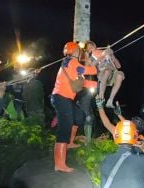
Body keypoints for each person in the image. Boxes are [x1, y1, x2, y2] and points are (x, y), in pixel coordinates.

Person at [95, 97, 144, 188]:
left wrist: (100, 107)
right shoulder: (138, 139)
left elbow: (122, 127)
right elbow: (128, 128)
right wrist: (119, 114)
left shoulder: (107, 158)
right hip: (135, 167)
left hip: (127, 164)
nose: (128, 122)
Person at [51, 41, 97, 173]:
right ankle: (59, 163)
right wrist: (97, 63)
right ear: (74, 51)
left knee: (79, 116)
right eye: (78, 50)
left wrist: (96, 85)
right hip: (61, 98)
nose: (80, 52)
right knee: (65, 126)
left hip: (65, 98)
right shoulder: (71, 62)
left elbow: (81, 82)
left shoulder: (70, 63)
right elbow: (89, 70)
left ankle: (70, 143)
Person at [85, 41, 125, 108]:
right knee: (107, 70)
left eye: (91, 45)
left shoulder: (106, 51)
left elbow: (119, 66)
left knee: (120, 74)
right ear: (88, 50)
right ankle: (101, 95)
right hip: (102, 74)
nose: (91, 47)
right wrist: (102, 56)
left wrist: (113, 57)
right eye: (89, 47)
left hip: (112, 74)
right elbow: (91, 66)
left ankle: (110, 101)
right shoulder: (91, 57)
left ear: (94, 45)